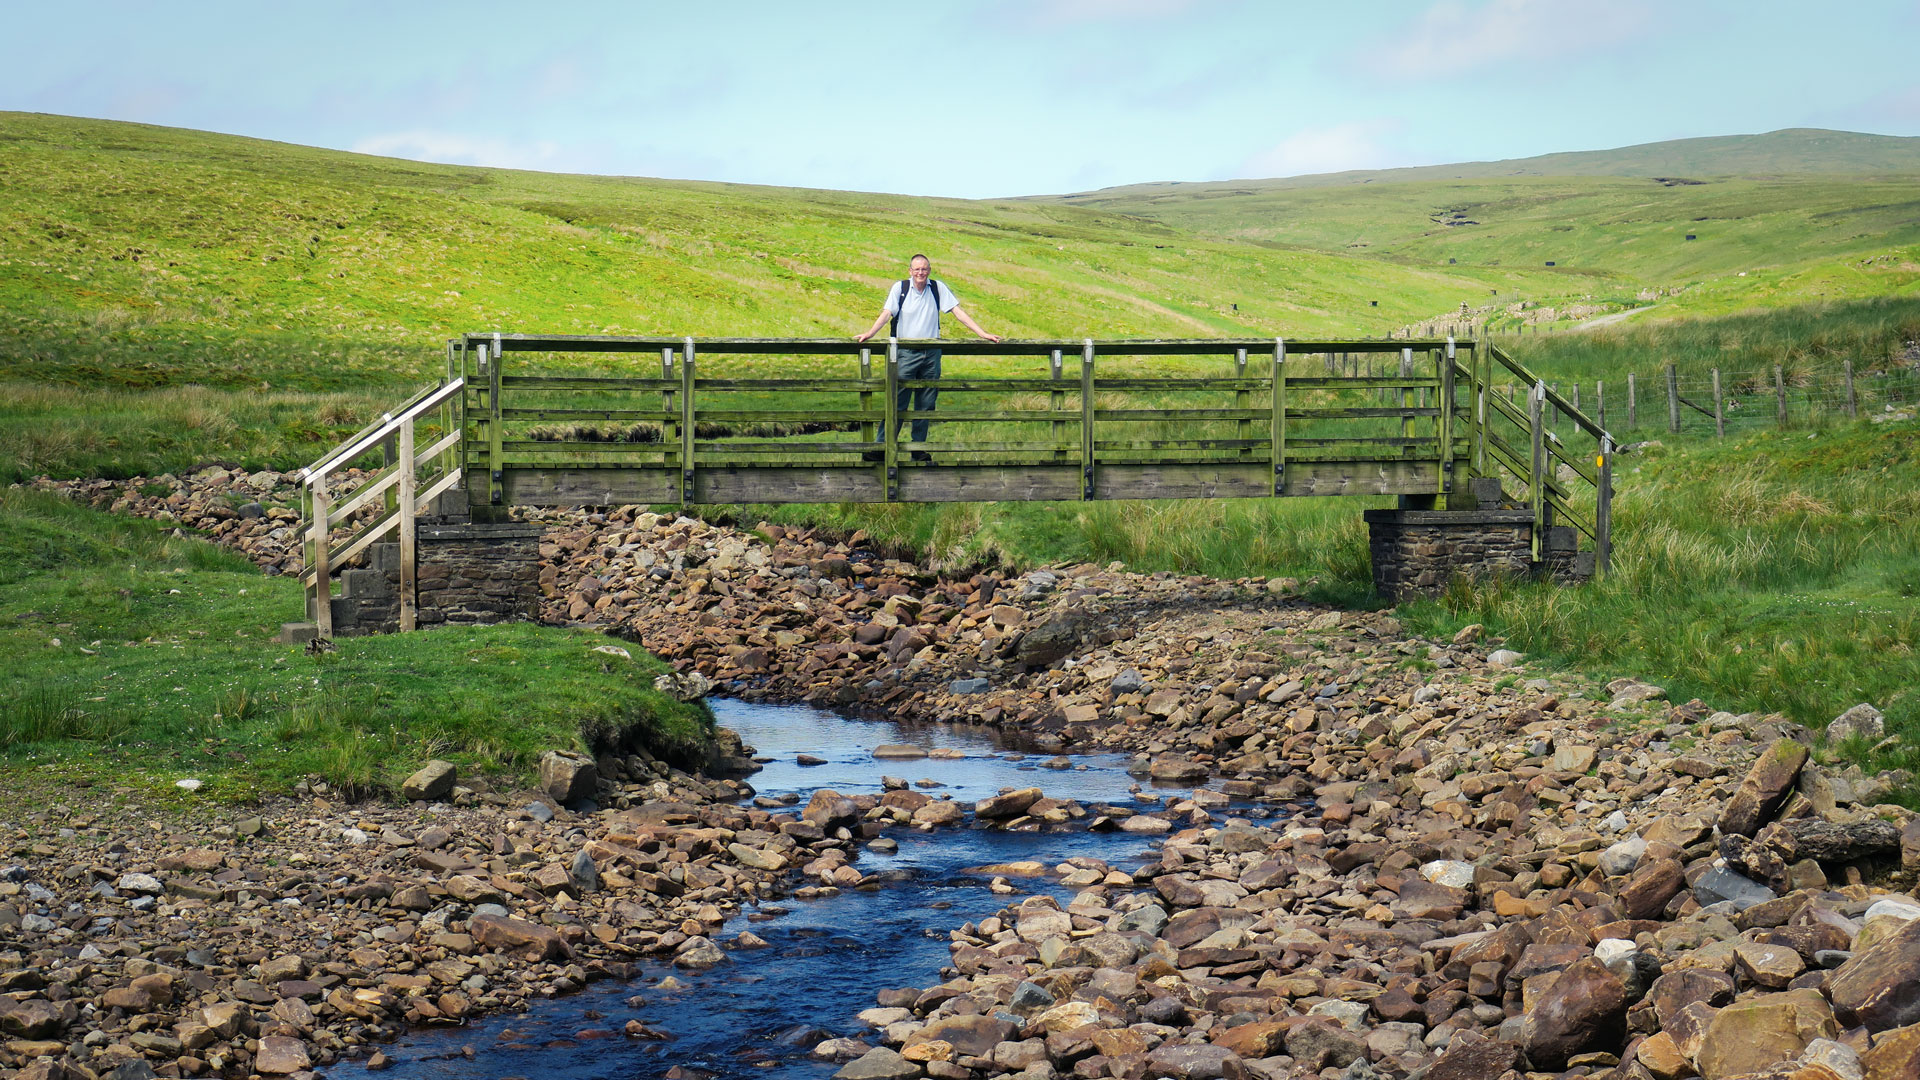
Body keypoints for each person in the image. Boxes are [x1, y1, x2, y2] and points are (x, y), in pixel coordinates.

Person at [855, 254, 1000, 460]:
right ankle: (882, 449)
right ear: (910, 271)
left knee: (926, 403)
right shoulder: (901, 288)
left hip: (932, 353)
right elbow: (888, 313)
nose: (920, 273)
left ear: (929, 270)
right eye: (916, 269)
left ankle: (918, 449)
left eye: (924, 269)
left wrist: (982, 333)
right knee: (897, 401)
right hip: (905, 352)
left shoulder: (937, 288)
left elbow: (958, 312)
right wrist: (870, 333)